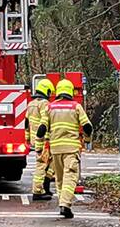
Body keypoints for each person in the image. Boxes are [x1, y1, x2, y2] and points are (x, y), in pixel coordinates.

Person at [36, 78, 92, 219]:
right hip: (71, 148)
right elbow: (87, 127)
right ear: (70, 91)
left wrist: (40, 147)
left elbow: (41, 129)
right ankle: (65, 204)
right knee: (70, 176)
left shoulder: (50, 107)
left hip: (56, 149)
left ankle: (62, 204)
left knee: (60, 179)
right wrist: (87, 140)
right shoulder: (76, 106)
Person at [27, 79, 56, 201]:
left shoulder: (31, 104)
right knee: (42, 164)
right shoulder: (45, 104)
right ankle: (37, 191)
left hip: (36, 140)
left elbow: (26, 123)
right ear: (47, 90)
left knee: (50, 164)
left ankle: (45, 187)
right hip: (44, 140)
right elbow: (45, 123)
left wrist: (27, 139)